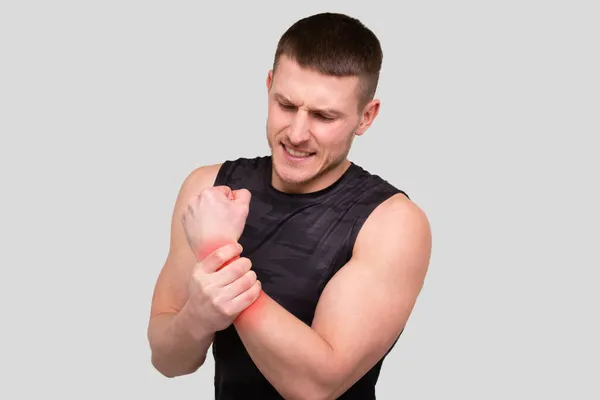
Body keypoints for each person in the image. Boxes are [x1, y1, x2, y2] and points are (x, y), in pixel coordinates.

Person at [147, 12, 432, 400]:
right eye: (286, 105)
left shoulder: (392, 223)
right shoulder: (209, 187)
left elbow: (316, 387)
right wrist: (199, 314)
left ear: (366, 116)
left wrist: (217, 253)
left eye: (323, 116)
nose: (297, 134)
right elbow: (168, 361)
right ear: (268, 86)